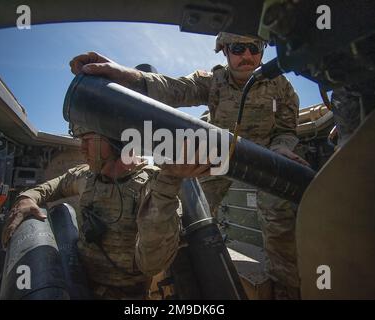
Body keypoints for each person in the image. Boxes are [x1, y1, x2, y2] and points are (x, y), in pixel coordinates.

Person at [68, 32, 308, 299]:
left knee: (281, 224)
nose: (248, 56)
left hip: (266, 159)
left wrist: (281, 148)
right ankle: (180, 283)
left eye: (255, 48)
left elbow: (287, 130)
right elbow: (172, 89)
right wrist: (123, 75)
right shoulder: (213, 82)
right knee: (191, 218)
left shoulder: (281, 86)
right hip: (217, 158)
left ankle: (286, 291)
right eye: (239, 48)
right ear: (225, 51)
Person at [1, 121, 208, 299]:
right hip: (78, 285)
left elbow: (152, 264)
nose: (81, 148)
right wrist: (27, 197)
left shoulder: (154, 184)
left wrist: (167, 186)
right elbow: (54, 186)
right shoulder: (86, 176)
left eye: (88, 140)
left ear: (116, 141)